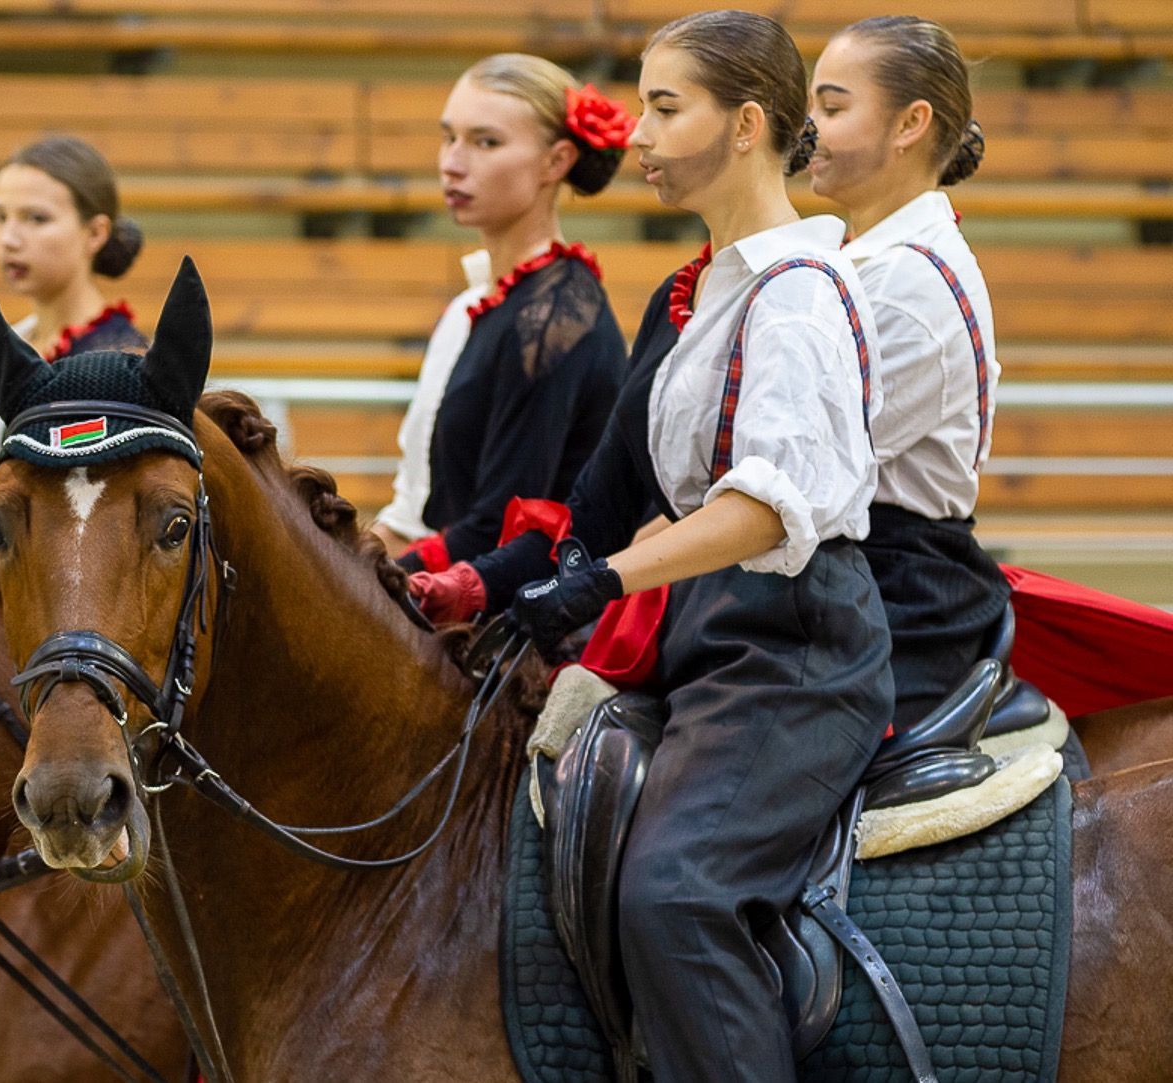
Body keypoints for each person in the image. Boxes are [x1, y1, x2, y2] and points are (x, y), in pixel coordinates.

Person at [408, 13, 891, 1081]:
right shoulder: (698, 291)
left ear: (748, 124)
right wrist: (474, 591)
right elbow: (599, 493)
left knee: (672, 892)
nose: (636, 133)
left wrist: (599, 581)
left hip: (793, 656)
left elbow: (764, 511)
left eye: (665, 108)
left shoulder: (800, 297)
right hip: (703, 645)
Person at [810, 16, 1008, 731]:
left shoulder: (911, 282)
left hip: (897, 593)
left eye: (832, 108)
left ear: (910, 124)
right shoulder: (859, 257)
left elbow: (805, 472)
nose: (809, 129)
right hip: (844, 573)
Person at [374, 55, 634, 575]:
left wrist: (361, 584)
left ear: (556, 161)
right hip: (455, 580)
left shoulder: (555, 316)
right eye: (449, 137)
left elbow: (501, 529)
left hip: (516, 617)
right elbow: (414, 510)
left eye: (485, 142)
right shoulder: (472, 305)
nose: (452, 162)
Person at [0, 135, 148, 457]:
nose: (8, 238)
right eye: (0, 217)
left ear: (95, 233)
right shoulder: (12, 338)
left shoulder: (123, 362)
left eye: (36, 218)